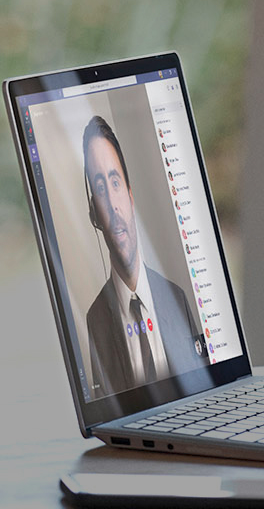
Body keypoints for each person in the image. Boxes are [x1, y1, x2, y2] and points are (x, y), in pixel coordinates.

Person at [78, 114, 204, 397]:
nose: (112, 205)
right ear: (93, 214)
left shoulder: (177, 299)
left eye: (115, 183)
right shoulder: (95, 320)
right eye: (99, 189)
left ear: (131, 197)